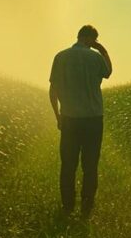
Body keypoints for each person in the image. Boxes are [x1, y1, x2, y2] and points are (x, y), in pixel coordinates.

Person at [48, 24, 112, 216]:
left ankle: (67, 205)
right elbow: (108, 72)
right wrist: (103, 50)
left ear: (78, 37)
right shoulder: (95, 57)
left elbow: (53, 90)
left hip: (69, 118)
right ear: (90, 39)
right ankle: (87, 203)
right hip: (93, 119)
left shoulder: (61, 56)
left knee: (68, 164)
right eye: (95, 40)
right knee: (90, 164)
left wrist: (57, 116)